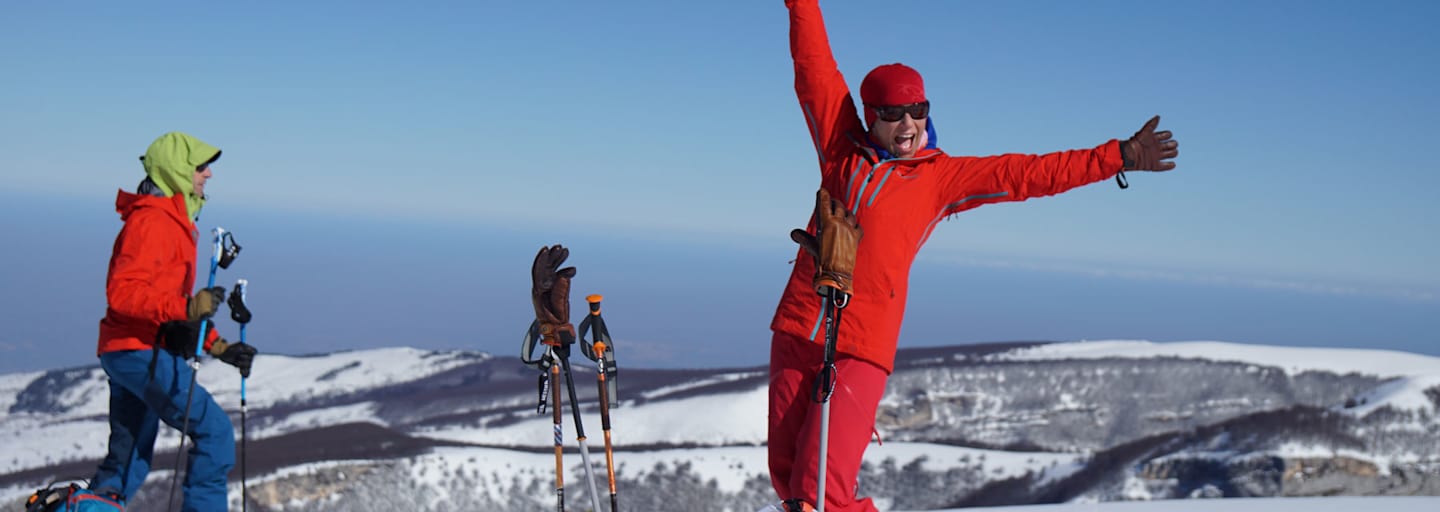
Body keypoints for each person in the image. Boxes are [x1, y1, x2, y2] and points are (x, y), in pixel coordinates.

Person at [765, 1, 1180, 511]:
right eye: (893, 114)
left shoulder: (939, 179)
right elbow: (813, 65)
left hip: (863, 344)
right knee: (787, 481)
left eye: (918, 110)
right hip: (800, 325)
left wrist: (1120, 155)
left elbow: (1026, 174)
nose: (908, 123)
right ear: (870, 116)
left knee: (820, 493)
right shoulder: (840, 146)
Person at [90, 131, 257, 511]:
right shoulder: (153, 221)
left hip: (130, 350)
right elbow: (124, 293)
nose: (208, 174)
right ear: (176, 170)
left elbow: (176, 303)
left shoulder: (172, 222)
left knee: (128, 461)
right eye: (200, 166)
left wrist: (220, 347)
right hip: (141, 352)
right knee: (214, 433)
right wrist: (188, 310)